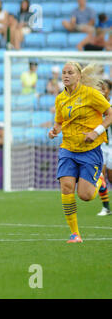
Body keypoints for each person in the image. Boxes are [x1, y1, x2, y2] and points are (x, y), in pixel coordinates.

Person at [48, 62, 112, 242]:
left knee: (85, 195)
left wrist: (96, 132)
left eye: (70, 73)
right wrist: (54, 130)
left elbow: (110, 113)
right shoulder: (60, 98)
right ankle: (75, 233)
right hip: (68, 148)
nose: (66, 75)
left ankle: (99, 180)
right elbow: (59, 122)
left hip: (89, 150)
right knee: (66, 187)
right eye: (63, 72)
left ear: (78, 76)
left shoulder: (91, 94)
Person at [97, 79, 112, 216]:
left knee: (111, 177)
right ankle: (106, 207)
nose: (102, 91)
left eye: (104, 88)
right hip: (100, 145)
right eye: (100, 88)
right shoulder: (96, 104)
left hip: (111, 145)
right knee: (100, 175)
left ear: (109, 90)